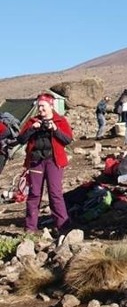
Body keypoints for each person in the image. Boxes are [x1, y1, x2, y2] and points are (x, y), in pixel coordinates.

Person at [16, 93, 73, 233]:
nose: (40, 109)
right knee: (34, 194)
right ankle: (30, 228)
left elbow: (67, 140)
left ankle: (63, 226)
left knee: (55, 193)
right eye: (39, 106)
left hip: (54, 161)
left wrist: (55, 129)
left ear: (51, 106)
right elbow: (21, 139)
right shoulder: (32, 121)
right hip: (36, 161)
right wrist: (32, 129)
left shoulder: (60, 121)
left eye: (42, 106)